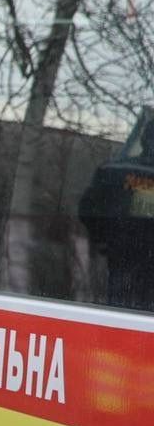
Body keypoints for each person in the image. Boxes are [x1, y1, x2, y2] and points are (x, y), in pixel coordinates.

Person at [79, 109, 154, 311]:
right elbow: (89, 209)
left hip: (120, 254)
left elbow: (88, 210)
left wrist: (103, 240)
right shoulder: (113, 171)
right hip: (124, 255)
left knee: (118, 311)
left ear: (143, 140)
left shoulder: (113, 170)